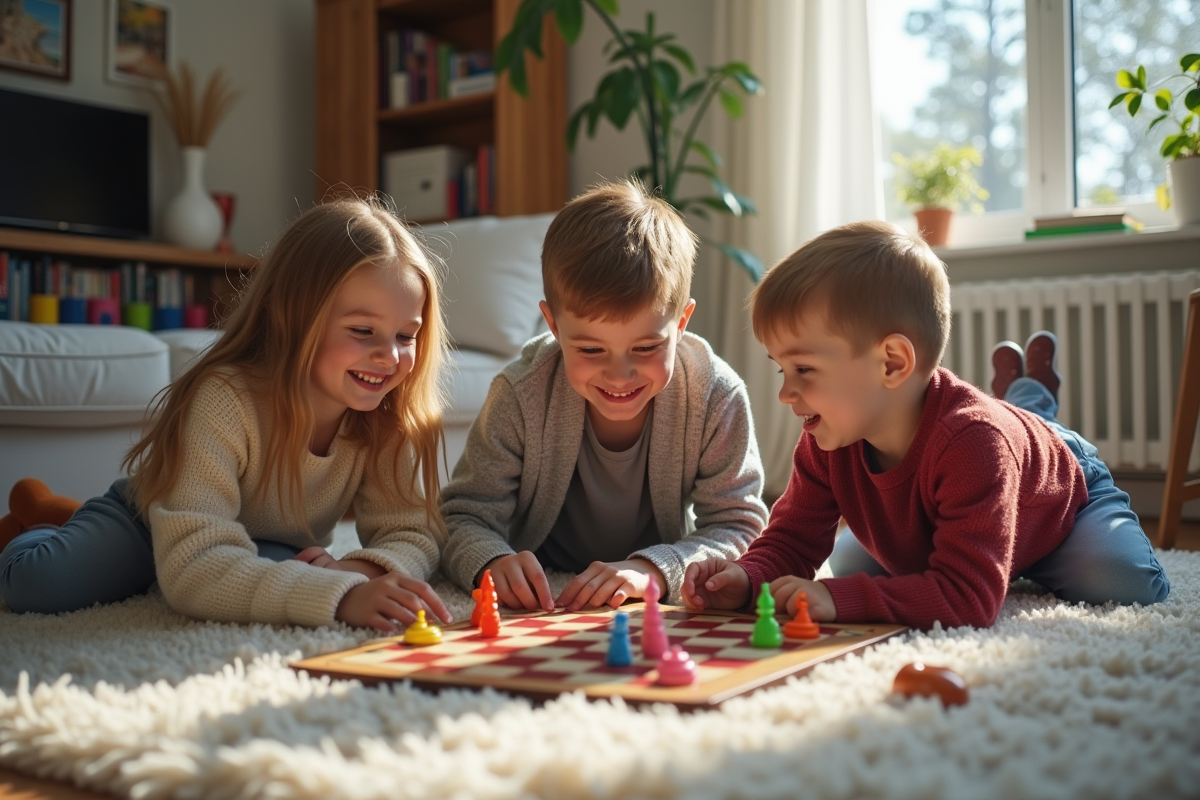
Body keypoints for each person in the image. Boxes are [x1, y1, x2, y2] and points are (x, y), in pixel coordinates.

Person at [683, 220, 1170, 630]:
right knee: (855, 561)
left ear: (892, 363)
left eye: (804, 370)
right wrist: (746, 578)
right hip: (981, 480)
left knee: (1123, 581)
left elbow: (970, 597)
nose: (785, 393)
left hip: (1055, 502)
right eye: (781, 369)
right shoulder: (827, 435)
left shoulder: (976, 443)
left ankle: (1031, 406)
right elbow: (793, 540)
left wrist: (842, 601)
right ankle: (1023, 404)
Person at [0, 197, 453, 633]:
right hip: (155, 521)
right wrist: (342, 595)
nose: (389, 356)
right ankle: (45, 515)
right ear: (289, 314)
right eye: (362, 331)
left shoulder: (386, 417)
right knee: (39, 585)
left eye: (406, 336)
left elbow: (413, 534)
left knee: (277, 577)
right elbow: (196, 562)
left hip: (267, 543)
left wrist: (355, 568)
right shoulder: (225, 397)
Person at [440, 180, 769, 612]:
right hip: (546, 584)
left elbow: (739, 526)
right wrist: (491, 560)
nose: (619, 374)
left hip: (645, 583)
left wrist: (654, 570)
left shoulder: (715, 395)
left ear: (682, 322)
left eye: (647, 347)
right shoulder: (520, 393)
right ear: (553, 326)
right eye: (591, 349)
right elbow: (463, 516)